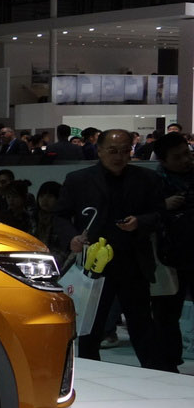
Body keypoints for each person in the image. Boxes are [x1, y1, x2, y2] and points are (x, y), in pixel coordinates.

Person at [59, 128, 177, 371]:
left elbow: (160, 215)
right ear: (99, 151)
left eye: (125, 151)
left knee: (142, 325)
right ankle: (90, 374)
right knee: (90, 326)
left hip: (133, 261)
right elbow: (60, 216)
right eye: (112, 151)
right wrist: (72, 238)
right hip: (93, 265)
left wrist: (140, 222)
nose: (119, 156)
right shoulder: (78, 180)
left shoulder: (147, 179)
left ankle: (154, 374)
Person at [151, 133, 194, 366]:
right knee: (167, 315)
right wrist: (162, 206)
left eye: (187, 153)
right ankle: (168, 364)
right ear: (163, 160)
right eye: (177, 157)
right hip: (168, 258)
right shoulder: (154, 184)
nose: (186, 160)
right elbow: (142, 216)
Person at [32, 181, 77, 267]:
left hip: (55, 263)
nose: (44, 200)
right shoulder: (33, 217)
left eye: (50, 196)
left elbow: (64, 250)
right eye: (42, 196)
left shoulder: (65, 221)